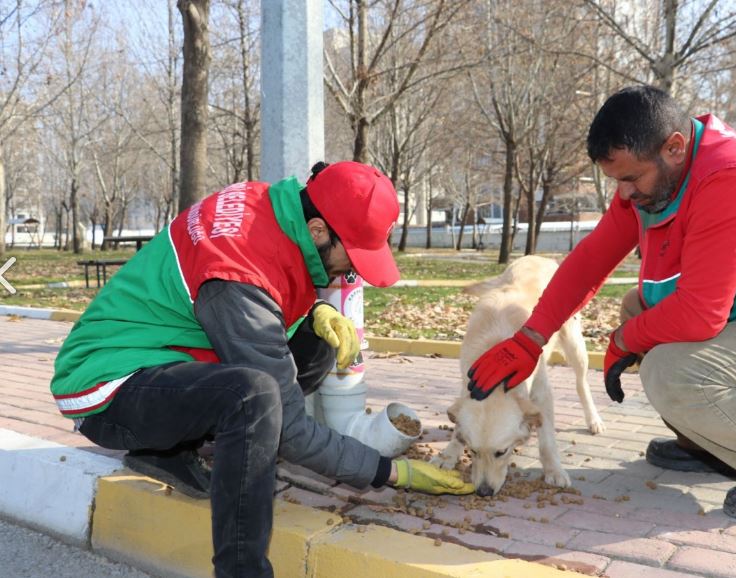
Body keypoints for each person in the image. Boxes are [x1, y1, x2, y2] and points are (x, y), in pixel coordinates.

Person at [466, 85, 736, 522]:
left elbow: (701, 314)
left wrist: (624, 340)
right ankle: (716, 445)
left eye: (631, 179)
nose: (624, 194)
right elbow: (591, 258)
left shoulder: (733, 179)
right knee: (638, 307)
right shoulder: (660, 168)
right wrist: (532, 337)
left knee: (671, 370)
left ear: (675, 147)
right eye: (618, 181)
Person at [50, 161, 473, 578]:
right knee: (251, 399)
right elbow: (288, 427)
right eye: (355, 255)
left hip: (163, 358)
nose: (354, 269)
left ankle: (165, 453)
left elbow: (261, 304)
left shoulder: (272, 208)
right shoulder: (237, 271)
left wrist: (318, 310)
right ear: (318, 230)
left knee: (313, 346)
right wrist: (389, 471)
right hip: (107, 385)